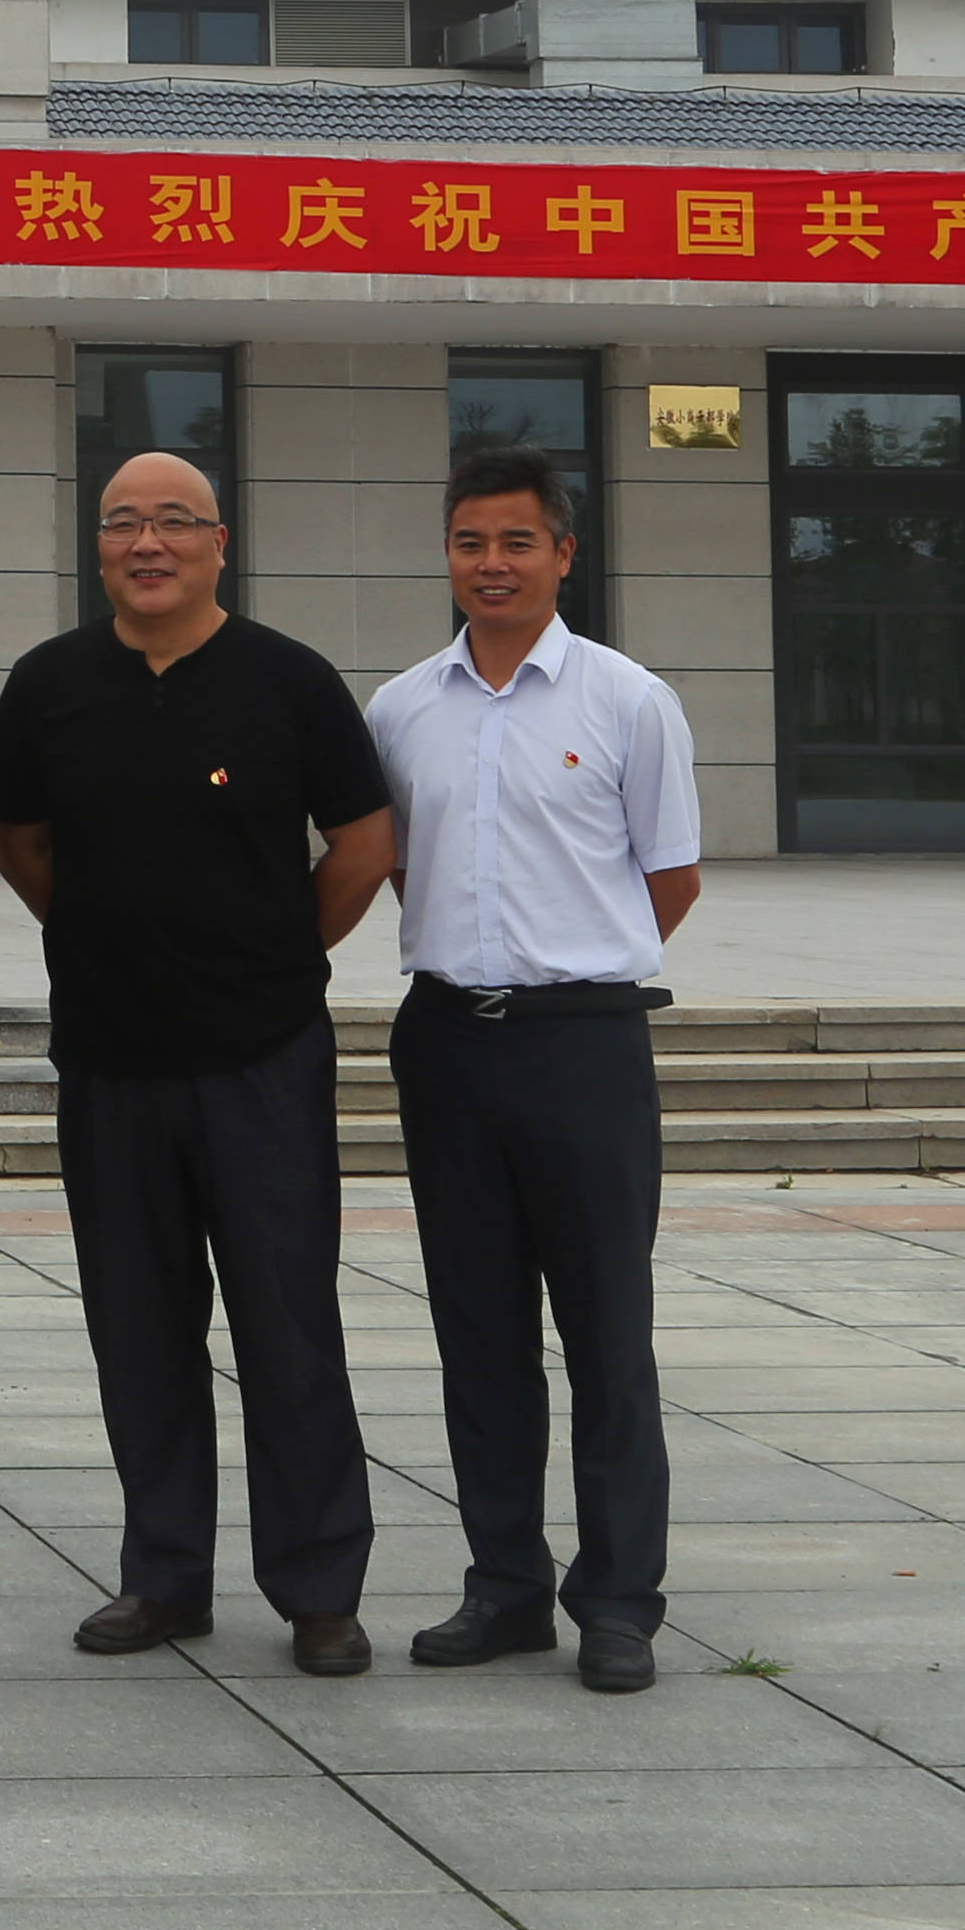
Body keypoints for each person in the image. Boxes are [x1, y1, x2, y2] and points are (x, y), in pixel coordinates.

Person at [0, 447, 397, 1672]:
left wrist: (273, 953)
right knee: (138, 1327)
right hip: (111, 1059)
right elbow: (23, 846)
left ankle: (319, 1588)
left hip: (262, 1057)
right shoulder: (49, 684)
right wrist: (111, 945)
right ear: (99, 546)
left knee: (287, 1324)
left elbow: (364, 843)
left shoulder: (290, 680)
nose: (147, 542)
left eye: (174, 521)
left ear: (221, 543)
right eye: (124, 522)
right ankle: (164, 1575)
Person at [370, 445, 699, 1696]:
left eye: (517, 542)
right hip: (448, 1043)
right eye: (470, 543)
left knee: (608, 1332)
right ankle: (504, 1586)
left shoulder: (628, 700)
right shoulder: (402, 709)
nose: (492, 564)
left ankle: (617, 1601)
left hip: (584, 1048)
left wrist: (570, 964)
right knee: (479, 1330)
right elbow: (406, 866)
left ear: (564, 552)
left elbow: (671, 877)